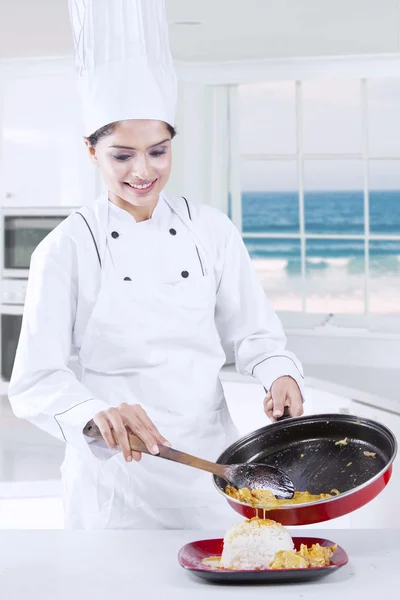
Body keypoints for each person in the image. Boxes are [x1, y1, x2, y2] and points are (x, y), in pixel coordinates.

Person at [8, 0, 305, 530]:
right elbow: (36, 381)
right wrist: (93, 414)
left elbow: (255, 334)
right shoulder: (66, 246)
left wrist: (279, 373)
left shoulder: (210, 228)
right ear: (92, 151)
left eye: (158, 151)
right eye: (122, 155)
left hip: (216, 464)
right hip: (119, 474)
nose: (143, 171)